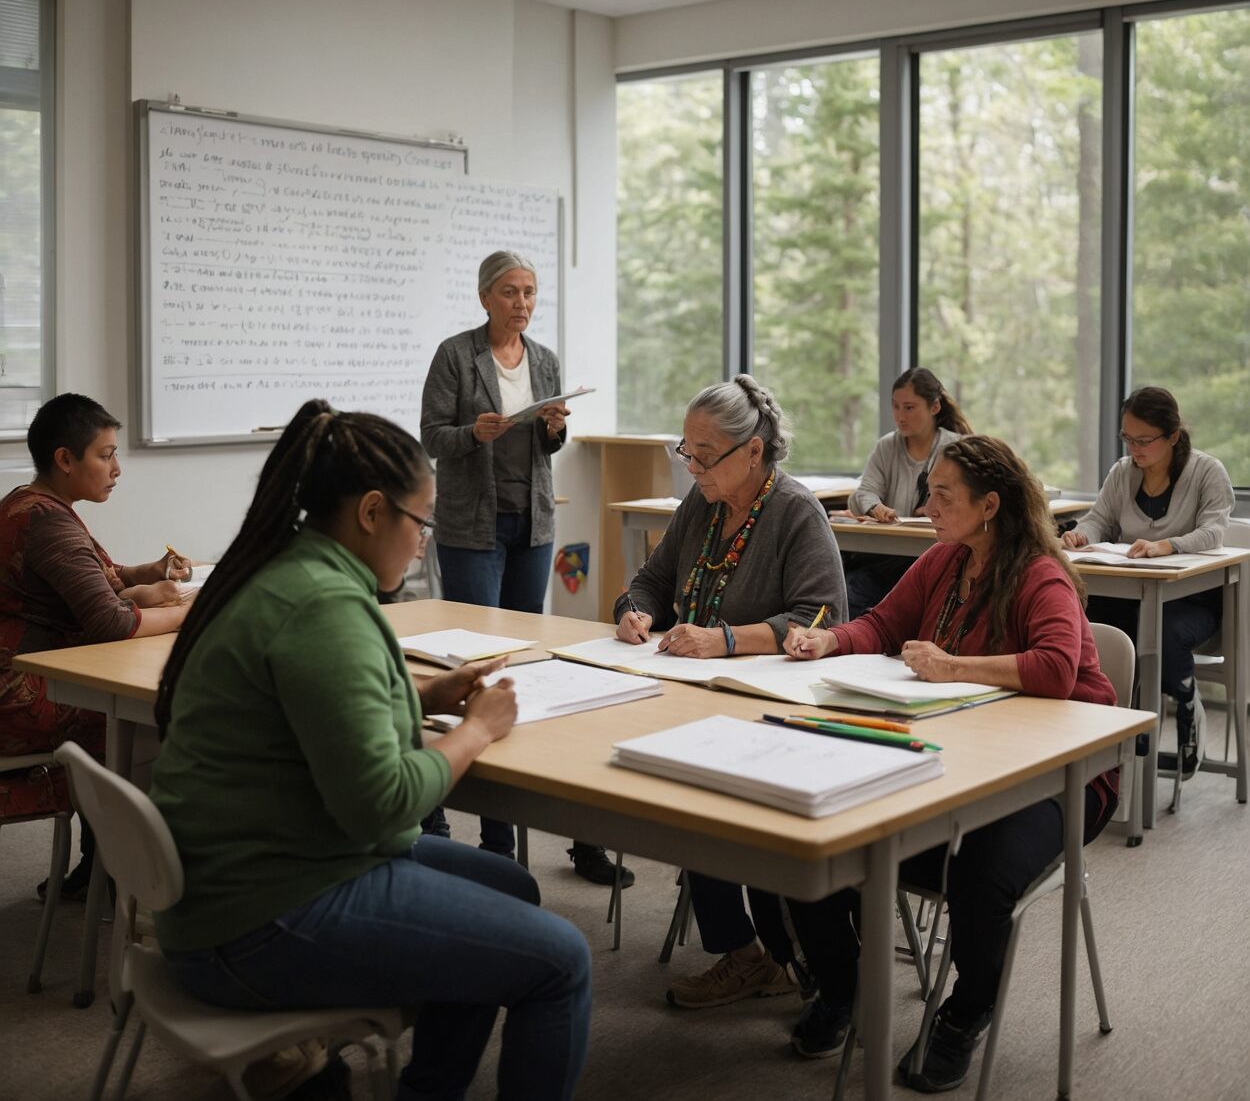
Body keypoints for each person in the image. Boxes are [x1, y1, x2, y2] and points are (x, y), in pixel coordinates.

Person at [149, 401, 591, 1101]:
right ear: (372, 512)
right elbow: (377, 802)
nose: (424, 542)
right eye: (421, 522)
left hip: (241, 875)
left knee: (511, 888)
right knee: (562, 959)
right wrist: (476, 731)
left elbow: (309, 716)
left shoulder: (289, 569)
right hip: (258, 916)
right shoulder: (323, 606)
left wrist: (425, 697)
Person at [782, 435, 1119, 1089]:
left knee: (980, 873)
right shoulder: (943, 560)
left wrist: (951, 667)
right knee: (826, 842)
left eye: (942, 494)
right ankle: (845, 986)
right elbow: (881, 625)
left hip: (1060, 778)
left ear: (990, 505)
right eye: (928, 490)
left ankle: (967, 1011)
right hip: (959, 756)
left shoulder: (1040, 573)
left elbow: (1055, 669)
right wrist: (829, 638)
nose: (925, 503)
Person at [615, 374, 847, 1009]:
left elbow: (824, 616)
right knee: (675, 792)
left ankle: (777, 954)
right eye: (685, 451)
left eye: (705, 455)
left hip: (770, 710)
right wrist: (633, 611)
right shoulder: (703, 504)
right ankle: (745, 952)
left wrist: (726, 639)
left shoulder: (796, 511)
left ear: (755, 450)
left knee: (705, 797)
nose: (692, 467)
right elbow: (652, 580)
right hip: (692, 691)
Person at [420, 249, 626, 887]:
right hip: (472, 525)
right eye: (511, 292)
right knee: (471, 665)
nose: (523, 303)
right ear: (485, 298)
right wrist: (474, 434)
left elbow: (547, 444)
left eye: (530, 292)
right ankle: (442, 829)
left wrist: (556, 427)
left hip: (532, 523)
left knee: (522, 664)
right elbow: (432, 436)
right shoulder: (456, 354)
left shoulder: (543, 360)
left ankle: (503, 836)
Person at [0, 394, 190, 899]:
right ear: (65, 459)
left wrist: (145, 574)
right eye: (105, 455)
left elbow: (93, 579)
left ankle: (101, 866)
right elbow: (108, 620)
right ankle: (123, 871)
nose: (117, 469)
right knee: (145, 718)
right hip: (20, 694)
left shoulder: (32, 504)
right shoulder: (47, 521)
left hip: (27, 675)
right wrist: (189, 614)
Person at [1062, 386, 1234, 778]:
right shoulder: (1122, 474)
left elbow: (1214, 533)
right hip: (1136, 594)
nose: (1134, 449)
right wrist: (1081, 535)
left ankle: (1185, 701)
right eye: (1128, 439)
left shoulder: (1207, 471)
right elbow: (1098, 519)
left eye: (1144, 441)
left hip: (1194, 601)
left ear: (1172, 436)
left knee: (1162, 631)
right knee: (1092, 623)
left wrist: (1168, 545)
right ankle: (1113, 726)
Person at [841, 368, 972, 618]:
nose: (900, 416)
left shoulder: (956, 448)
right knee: (849, 596)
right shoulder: (886, 446)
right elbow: (865, 492)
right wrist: (874, 507)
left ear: (934, 407)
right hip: (885, 555)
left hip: (937, 555)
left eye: (909, 407)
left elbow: (967, 503)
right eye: (895, 406)